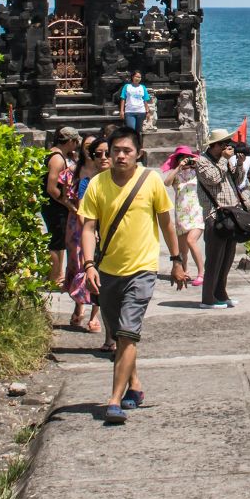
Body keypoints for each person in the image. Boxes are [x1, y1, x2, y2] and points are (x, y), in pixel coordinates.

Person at [77, 132, 186, 424]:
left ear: (139, 153)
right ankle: (134, 385)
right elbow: (88, 228)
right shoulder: (97, 184)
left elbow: (166, 224)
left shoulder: (151, 181)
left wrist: (176, 261)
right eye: (115, 150)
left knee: (127, 333)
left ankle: (114, 400)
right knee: (120, 334)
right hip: (107, 270)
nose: (120, 155)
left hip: (142, 269)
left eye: (127, 150)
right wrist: (88, 265)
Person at [187, 129, 249, 309]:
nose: (226, 147)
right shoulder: (202, 162)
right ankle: (208, 299)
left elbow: (237, 180)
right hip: (215, 216)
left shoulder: (225, 160)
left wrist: (239, 164)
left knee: (227, 258)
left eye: (227, 144)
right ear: (213, 145)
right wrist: (224, 159)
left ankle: (221, 293)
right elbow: (213, 179)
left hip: (231, 214)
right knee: (214, 260)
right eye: (222, 144)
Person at [61, 135, 109, 333]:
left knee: (100, 272)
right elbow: (81, 208)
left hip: (105, 231)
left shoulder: (116, 179)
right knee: (80, 268)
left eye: (107, 153)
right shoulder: (84, 178)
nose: (102, 157)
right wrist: (89, 230)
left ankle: (94, 315)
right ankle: (79, 304)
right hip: (83, 228)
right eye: (97, 153)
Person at [43, 128, 81, 296]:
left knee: (59, 240)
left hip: (56, 205)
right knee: (57, 241)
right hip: (55, 206)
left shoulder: (56, 154)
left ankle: (56, 275)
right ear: (70, 141)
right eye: (76, 142)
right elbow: (51, 188)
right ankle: (54, 278)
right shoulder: (57, 159)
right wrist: (66, 203)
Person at [162, 146, 205, 287]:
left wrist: (197, 162)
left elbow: (209, 173)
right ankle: (184, 271)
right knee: (182, 251)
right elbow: (166, 183)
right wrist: (178, 168)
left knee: (191, 241)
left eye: (187, 158)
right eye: (182, 158)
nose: (185, 161)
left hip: (197, 213)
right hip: (181, 215)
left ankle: (201, 273)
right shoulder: (176, 175)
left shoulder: (197, 172)